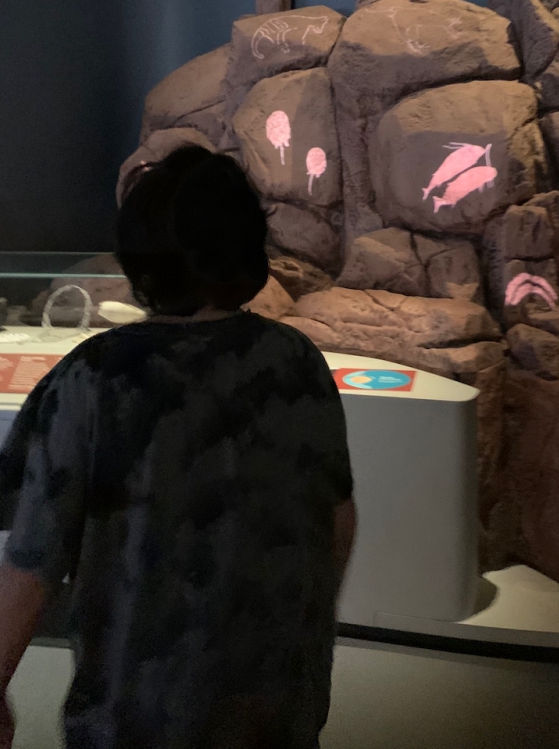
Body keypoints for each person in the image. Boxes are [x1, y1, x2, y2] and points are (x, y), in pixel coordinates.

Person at [0, 145, 357, 749]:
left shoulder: (95, 378)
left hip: (136, 713)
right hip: (274, 710)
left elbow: (33, 562)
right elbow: (337, 520)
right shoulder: (296, 363)